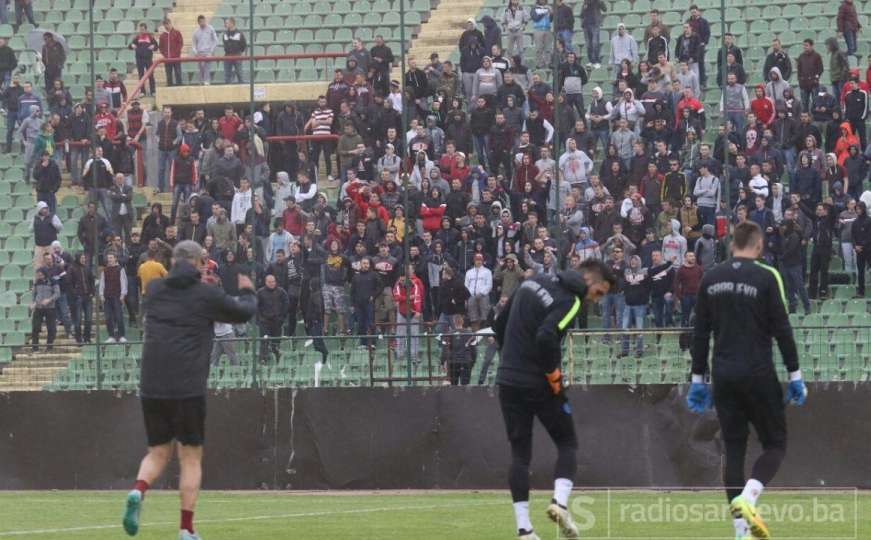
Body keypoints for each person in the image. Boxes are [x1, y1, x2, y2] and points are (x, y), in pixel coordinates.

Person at [122, 241, 256, 539]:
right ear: (198, 262)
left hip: (152, 385)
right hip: (187, 387)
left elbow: (177, 297)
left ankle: (138, 490)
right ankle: (186, 529)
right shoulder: (206, 294)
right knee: (190, 458)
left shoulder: (155, 291)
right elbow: (243, 312)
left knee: (157, 453)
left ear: (171, 262)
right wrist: (247, 289)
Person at [688, 221, 806, 540]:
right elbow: (782, 329)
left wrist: (698, 378)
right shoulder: (768, 277)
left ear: (730, 245)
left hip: (724, 376)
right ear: (758, 245)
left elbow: (700, 333)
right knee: (775, 444)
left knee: (734, 448)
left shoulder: (711, 278)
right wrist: (795, 375)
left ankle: (740, 532)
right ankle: (749, 498)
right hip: (758, 373)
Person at [493, 260, 615, 540]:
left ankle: (524, 530)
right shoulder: (570, 300)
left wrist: (509, 358)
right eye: (598, 292)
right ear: (587, 278)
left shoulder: (531, 281)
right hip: (538, 383)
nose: (595, 300)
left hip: (508, 380)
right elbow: (546, 337)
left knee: (520, 455)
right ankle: (559, 503)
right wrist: (554, 376)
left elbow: (499, 323)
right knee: (568, 442)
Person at [257, 273, 288, 364]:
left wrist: (282, 317)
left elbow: (286, 303)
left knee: (276, 342)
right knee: (264, 341)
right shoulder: (260, 292)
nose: (272, 283)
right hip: (264, 322)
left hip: (277, 322)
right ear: (265, 282)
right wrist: (260, 319)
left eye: (273, 282)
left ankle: (277, 357)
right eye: (269, 282)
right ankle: (263, 360)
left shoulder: (281, 291)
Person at [99, 252, 128, 343]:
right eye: (108, 258)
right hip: (107, 296)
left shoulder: (120, 269)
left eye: (111, 258)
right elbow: (102, 283)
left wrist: (123, 294)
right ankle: (111, 336)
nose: (109, 259)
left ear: (115, 258)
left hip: (117, 296)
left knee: (119, 317)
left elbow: (124, 282)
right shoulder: (105, 270)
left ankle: (121, 336)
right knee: (108, 317)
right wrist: (101, 295)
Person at [30, 268, 59, 352]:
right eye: (38, 274)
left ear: (45, 273)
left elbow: (57, 293)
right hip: (38, 308)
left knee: (51, 328)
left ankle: (49, 347)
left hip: (50, 308)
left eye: (41, 274)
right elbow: (34, 294)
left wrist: (49, 300)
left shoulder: (53, 281)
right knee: (35, 327)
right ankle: (35, 347)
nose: (39, 276)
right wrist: (33, 303)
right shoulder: (37, 282)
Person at [192, 15, 218, 85]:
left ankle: (207, 82)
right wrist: (196, 52)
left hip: (208, 52)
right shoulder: (195, 32)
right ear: (198, 22)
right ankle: (201, 82)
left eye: (204, 21)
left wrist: (211, 51)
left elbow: (215, 41)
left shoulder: (211, 29)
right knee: (201, 69)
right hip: (200, 53)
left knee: (207, 68)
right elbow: (194, 44)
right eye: (201, 22)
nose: (202, 23)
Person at [159, 19, 184, 87]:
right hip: (167, 58)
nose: (166, 26)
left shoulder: (177, 33)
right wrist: (165, 54)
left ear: (170, 23)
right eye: (165, 24)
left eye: (167, 24)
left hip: (176, 58)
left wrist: (176, 53)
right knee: (168, 74)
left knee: (178, 73)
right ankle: (169, 86)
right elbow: (161, 47)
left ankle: (179, 86)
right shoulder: (162, 36)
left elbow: (180, 43)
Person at [222, 17, 247, 84]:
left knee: (239, 73)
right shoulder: (225, 34)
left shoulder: (239, 33)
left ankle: (242, 88)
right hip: (227, 56)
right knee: (227, 75)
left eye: (227, 23)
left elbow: (243, 45)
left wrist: (239, 52)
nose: (226, 24)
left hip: (237, 55)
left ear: (232, 23)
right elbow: (224, 44)